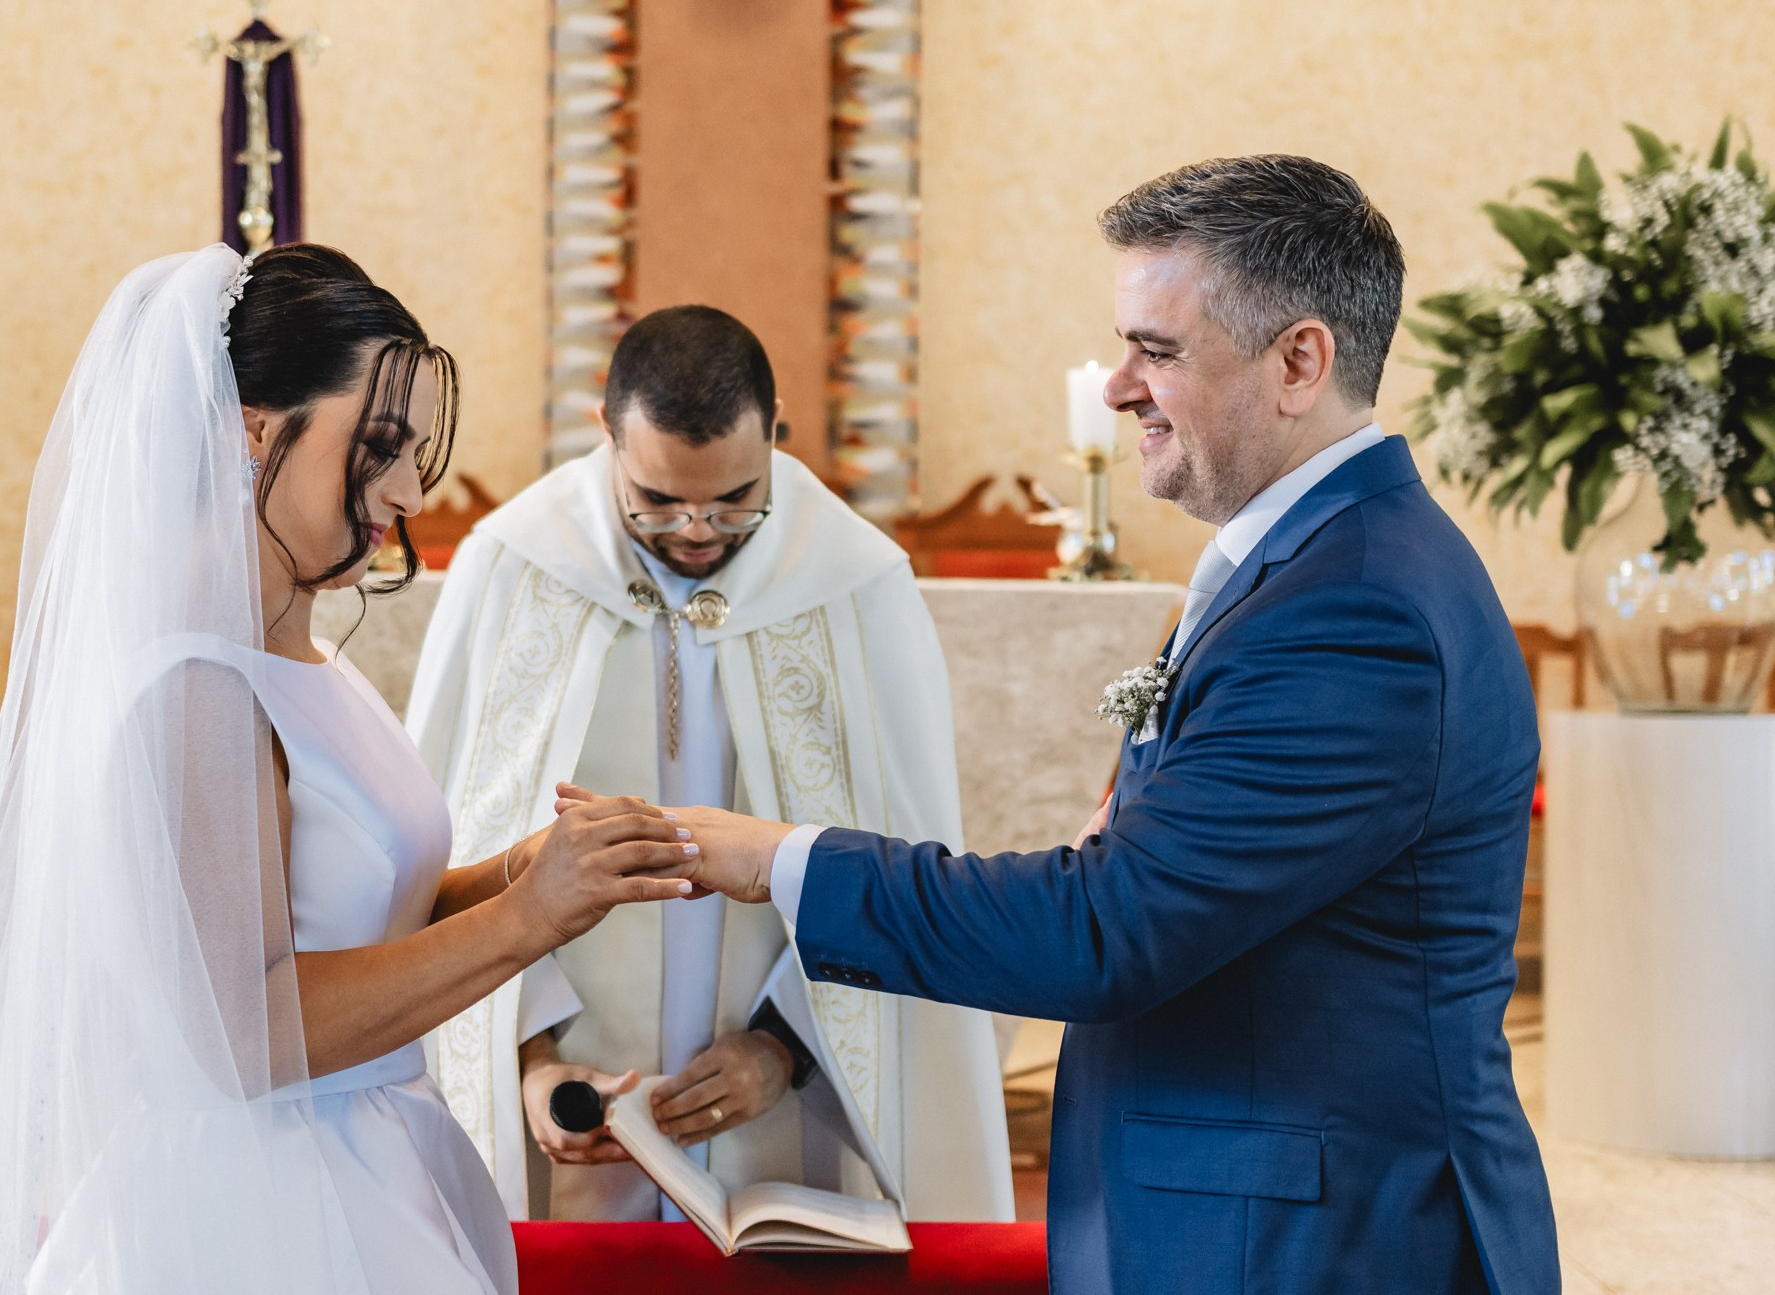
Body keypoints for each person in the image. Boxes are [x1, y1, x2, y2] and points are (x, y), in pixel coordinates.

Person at [652, 157, 1560, 1293]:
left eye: (1158, 351)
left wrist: (771, 858)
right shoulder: (1311, 564)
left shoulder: (1353, 607)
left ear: (1297, 361)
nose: (1120, 386)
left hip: (1305, 1241)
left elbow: (1106, 933)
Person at [0, 244, 696, 1295]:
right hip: (264, 1202)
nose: (408, 492)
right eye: (377, 446)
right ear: (250, 432)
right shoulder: (195, 686)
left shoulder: (305, 651)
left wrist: (544, 868)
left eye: (413, 453)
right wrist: (527, 920)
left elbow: (364, 916)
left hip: (373, 1150)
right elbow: (239, 1033)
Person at [407, 305, 1012, 1223]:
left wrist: (783, 1048)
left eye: (734, 498)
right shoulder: (515, 566)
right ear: (602, 436)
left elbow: (897, 849)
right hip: (575, 1106)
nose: (698, 530)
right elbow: (462, 832)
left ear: (774, 434)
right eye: (658, 500)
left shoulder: (854, 580)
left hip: (788, 1114)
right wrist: (527, 1057)